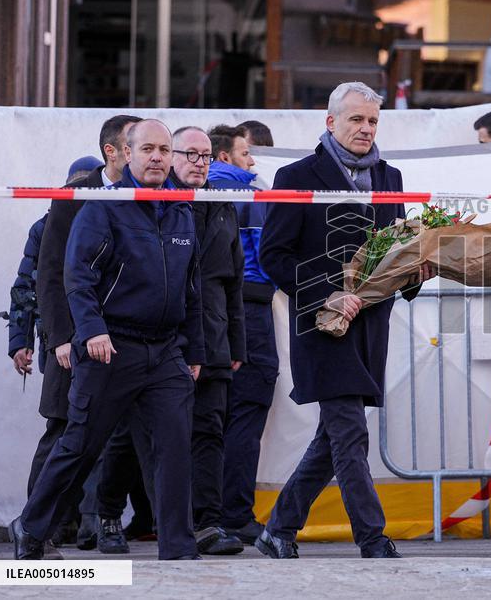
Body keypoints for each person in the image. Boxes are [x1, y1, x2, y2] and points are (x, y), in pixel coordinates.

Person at [10, 119, 204, 561]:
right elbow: (76, 277)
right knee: (80, 444)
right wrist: (92, 330)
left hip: (166, 351)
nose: (157, 157)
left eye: (164, 149)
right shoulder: (101, 207)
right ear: (126, 155)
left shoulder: (181, 211)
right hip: (111, 347)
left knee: (174, 448)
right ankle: (32, 525)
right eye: (148, 149)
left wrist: (194, 349)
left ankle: (179, 548)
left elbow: (192, 289)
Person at [257, 82, 431, 559]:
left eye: (372, 120)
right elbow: (274, 254)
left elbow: (397, 249)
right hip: (322, 326)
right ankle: (372, 538)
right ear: (331, 121)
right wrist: (326, 295)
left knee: (332, 437)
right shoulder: (296, 175)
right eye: (356, 119)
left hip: (372, 328)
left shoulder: (392, 178)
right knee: (350, 434)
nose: (365, 128)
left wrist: (419, 270)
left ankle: (278, 529)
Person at [34, 116, 151, 551]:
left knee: (119, 439)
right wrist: (61, 337)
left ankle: (98, 522)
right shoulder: (74, 196)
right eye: (135, 144)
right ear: (114, 152)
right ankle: (39, 528)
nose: (148, 152)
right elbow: (50, 273)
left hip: (132, 342)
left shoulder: (153, 195)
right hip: (75, 341)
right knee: (63, 434)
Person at [8, 156, 101, 559]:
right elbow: (29, 284)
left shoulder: (108, 216)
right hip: (63, 344)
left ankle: (85, 523)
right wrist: (21, 340)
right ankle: (41, 525)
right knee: (62, 431)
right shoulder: (49, 224)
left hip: (100, 340)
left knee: (96, 438)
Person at [168, 126, 246, 555]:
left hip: (214, 335)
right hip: (164, 334)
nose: (199, 163)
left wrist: (237, 342)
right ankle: (107, 516)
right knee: (146, 434)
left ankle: (207, 523)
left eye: (206, 156)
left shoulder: (221, 203)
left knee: (210, 430)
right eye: (191, 154)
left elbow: (233, 280)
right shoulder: (155, 198)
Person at [209, 123, 280, 545]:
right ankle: (236, 513)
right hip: (250, 311)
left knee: (212, 417)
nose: (253, 163)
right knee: (247, 413)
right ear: (226, 158)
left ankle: (207, 513)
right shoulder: (247, 195)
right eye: (246, 154)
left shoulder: (190, 192)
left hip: (208, 313)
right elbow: (267, 255)